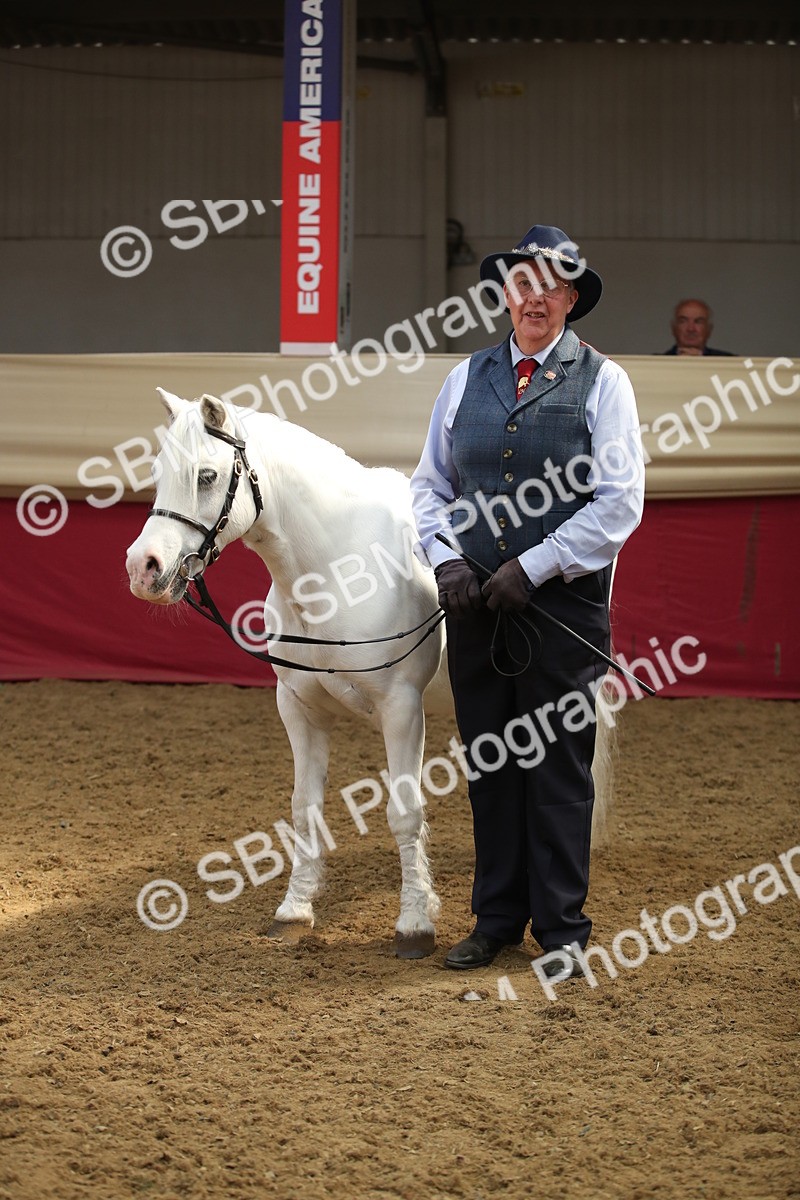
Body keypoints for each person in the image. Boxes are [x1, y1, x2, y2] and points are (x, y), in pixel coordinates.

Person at [410, 224, 645, 975]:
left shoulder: (603, 382)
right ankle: (497, 919)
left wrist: (536, 565)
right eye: (521, 282)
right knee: (490, 764)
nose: (533, 295)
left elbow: (619, 501)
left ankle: (564, 931)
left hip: (562, 613)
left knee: (556, 770)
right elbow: (429, 485)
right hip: (475, 606)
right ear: (506, 295)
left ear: (571, 299)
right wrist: (446, 559)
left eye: (550, 283)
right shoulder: (463, 380)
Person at [661, 298, 733, 356]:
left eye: (698, 322)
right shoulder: (655, 364)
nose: (691, 329)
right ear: (673, 328)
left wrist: (701, 361)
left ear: (709, 329)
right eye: (683, 321)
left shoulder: (733, 363)